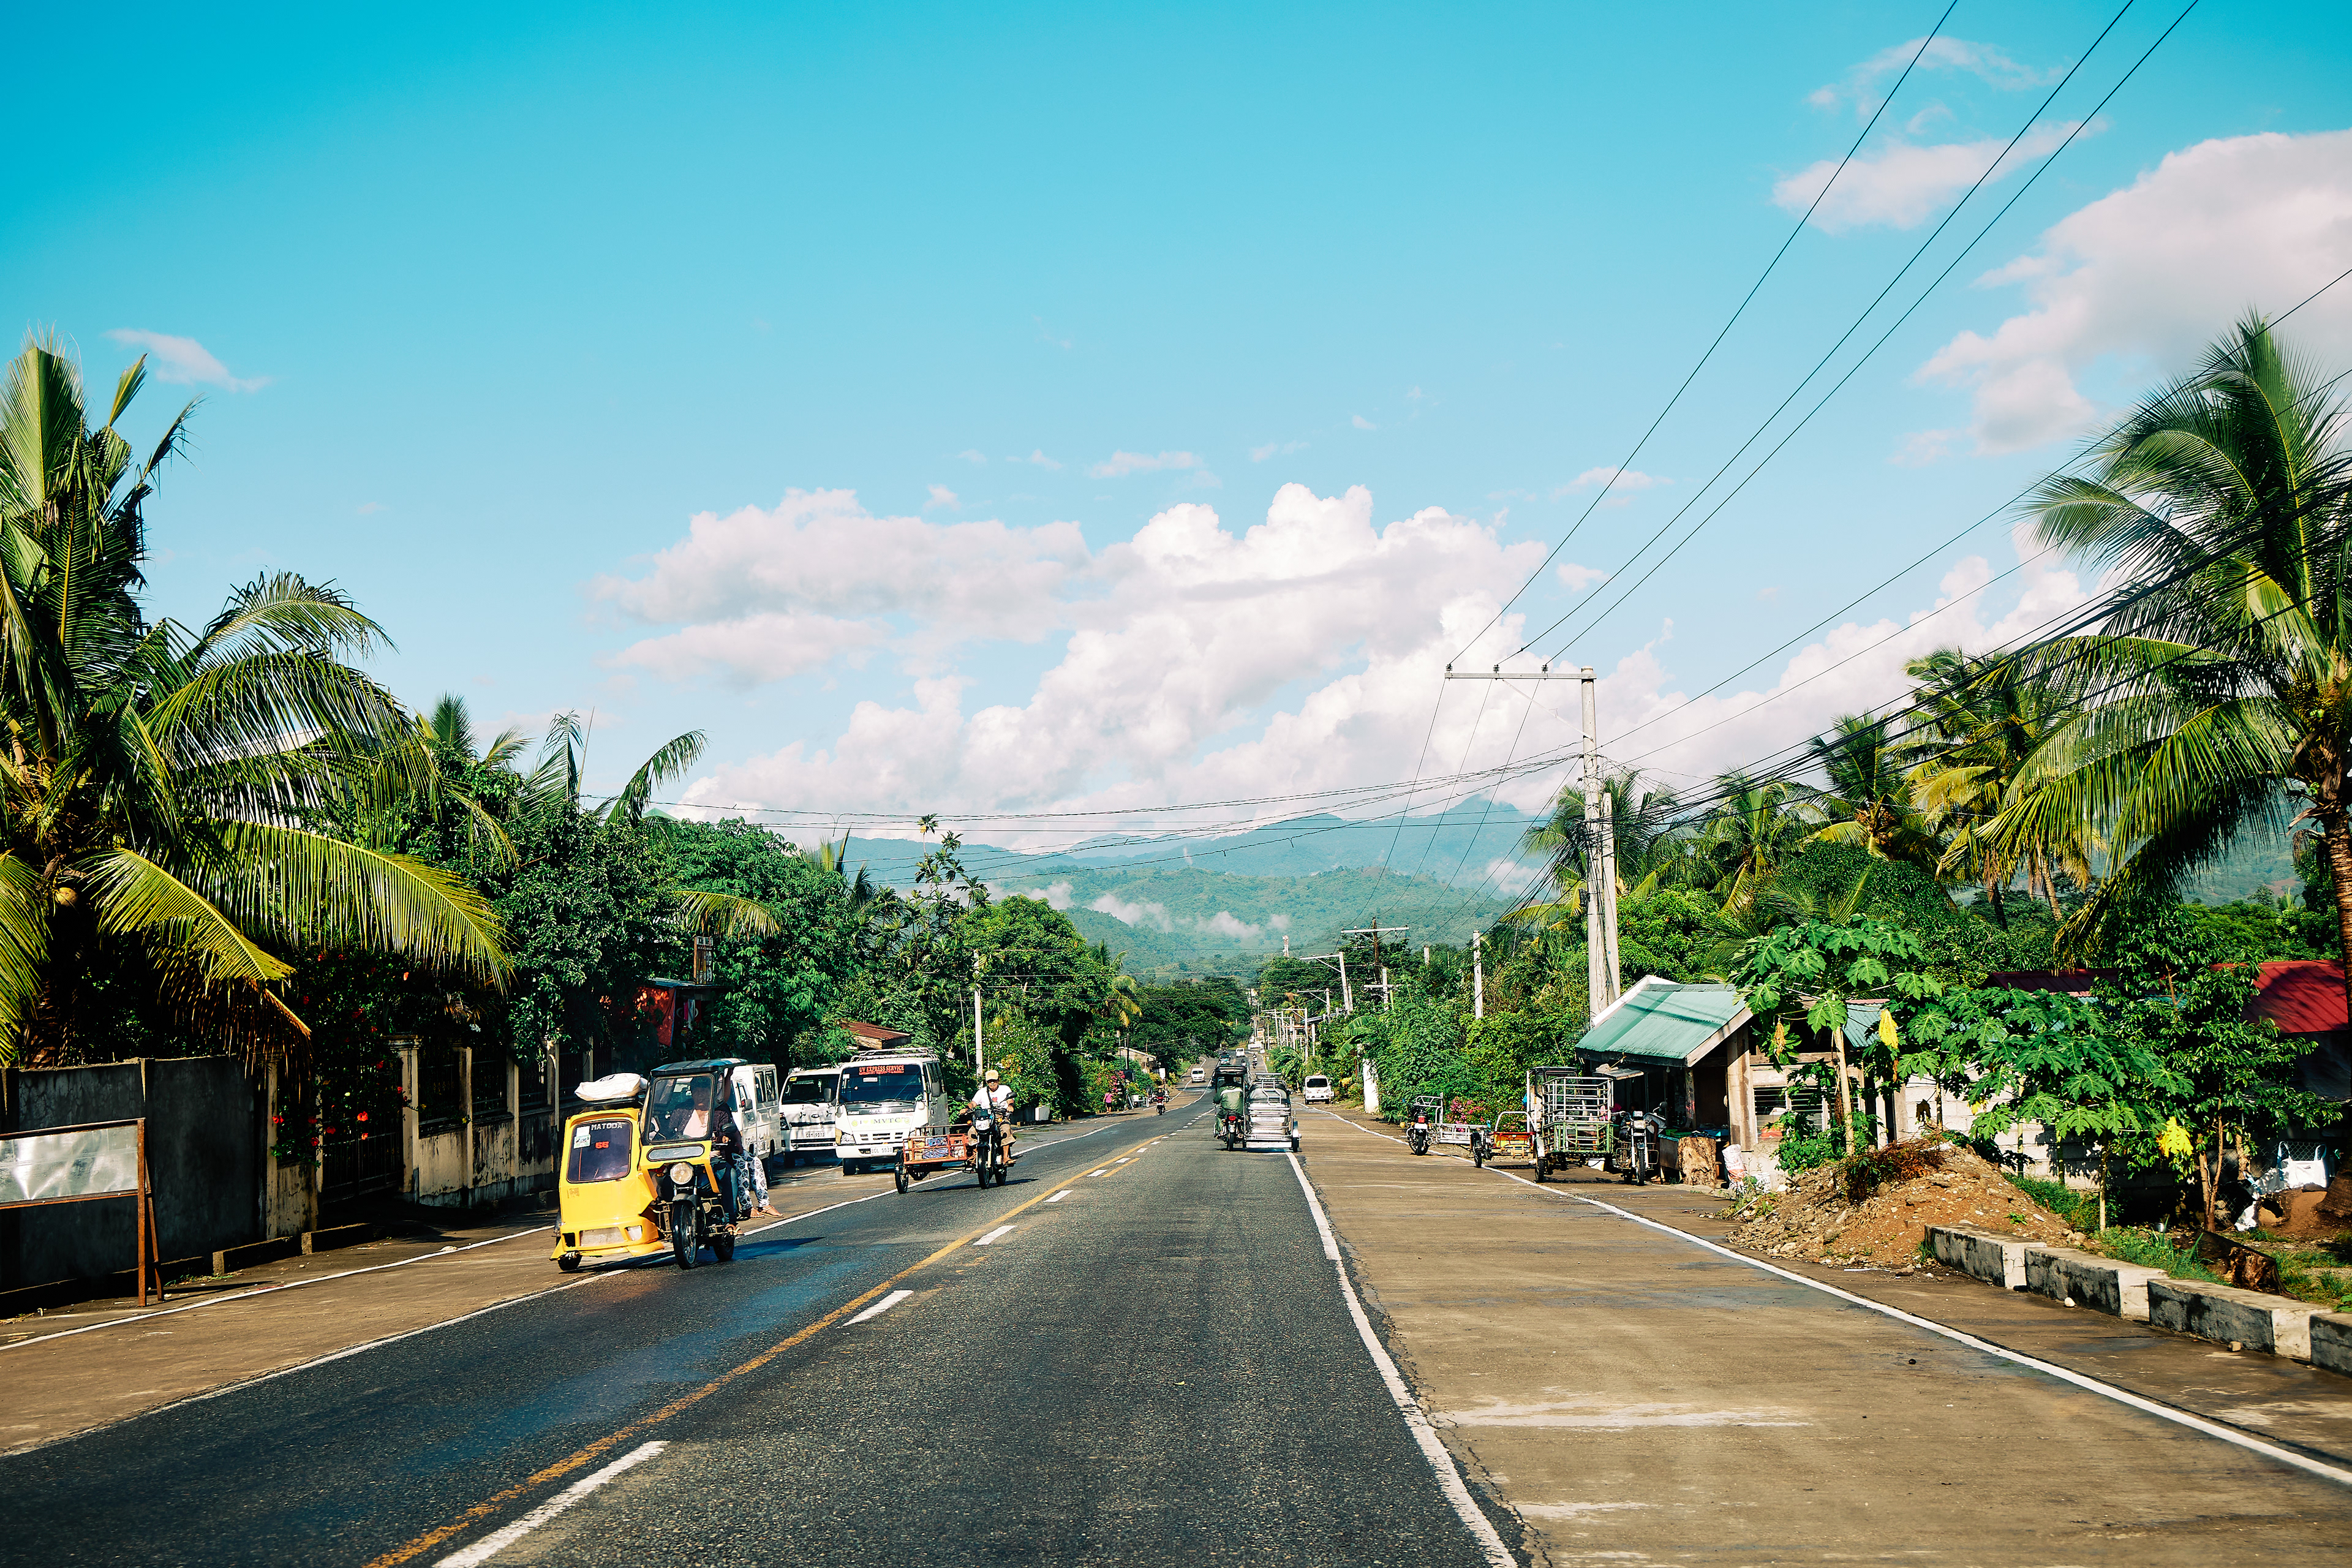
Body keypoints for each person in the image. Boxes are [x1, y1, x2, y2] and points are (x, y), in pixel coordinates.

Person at [968, 1069, 1017, 1159]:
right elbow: (973, 1103)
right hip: (985, 1118)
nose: (992, 1083)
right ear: (987, 1082)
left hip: (1001, 1117)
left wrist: (1010, 1106)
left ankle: (1006, 1157)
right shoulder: (981, 1092)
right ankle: (976, 1156)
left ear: (998, 1080)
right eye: (990, 1081)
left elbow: (1010, 1100)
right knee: (972, 1131)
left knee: (1005, 1129)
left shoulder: (1005, 1089)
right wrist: (967, 1108)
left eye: (994, 1080)